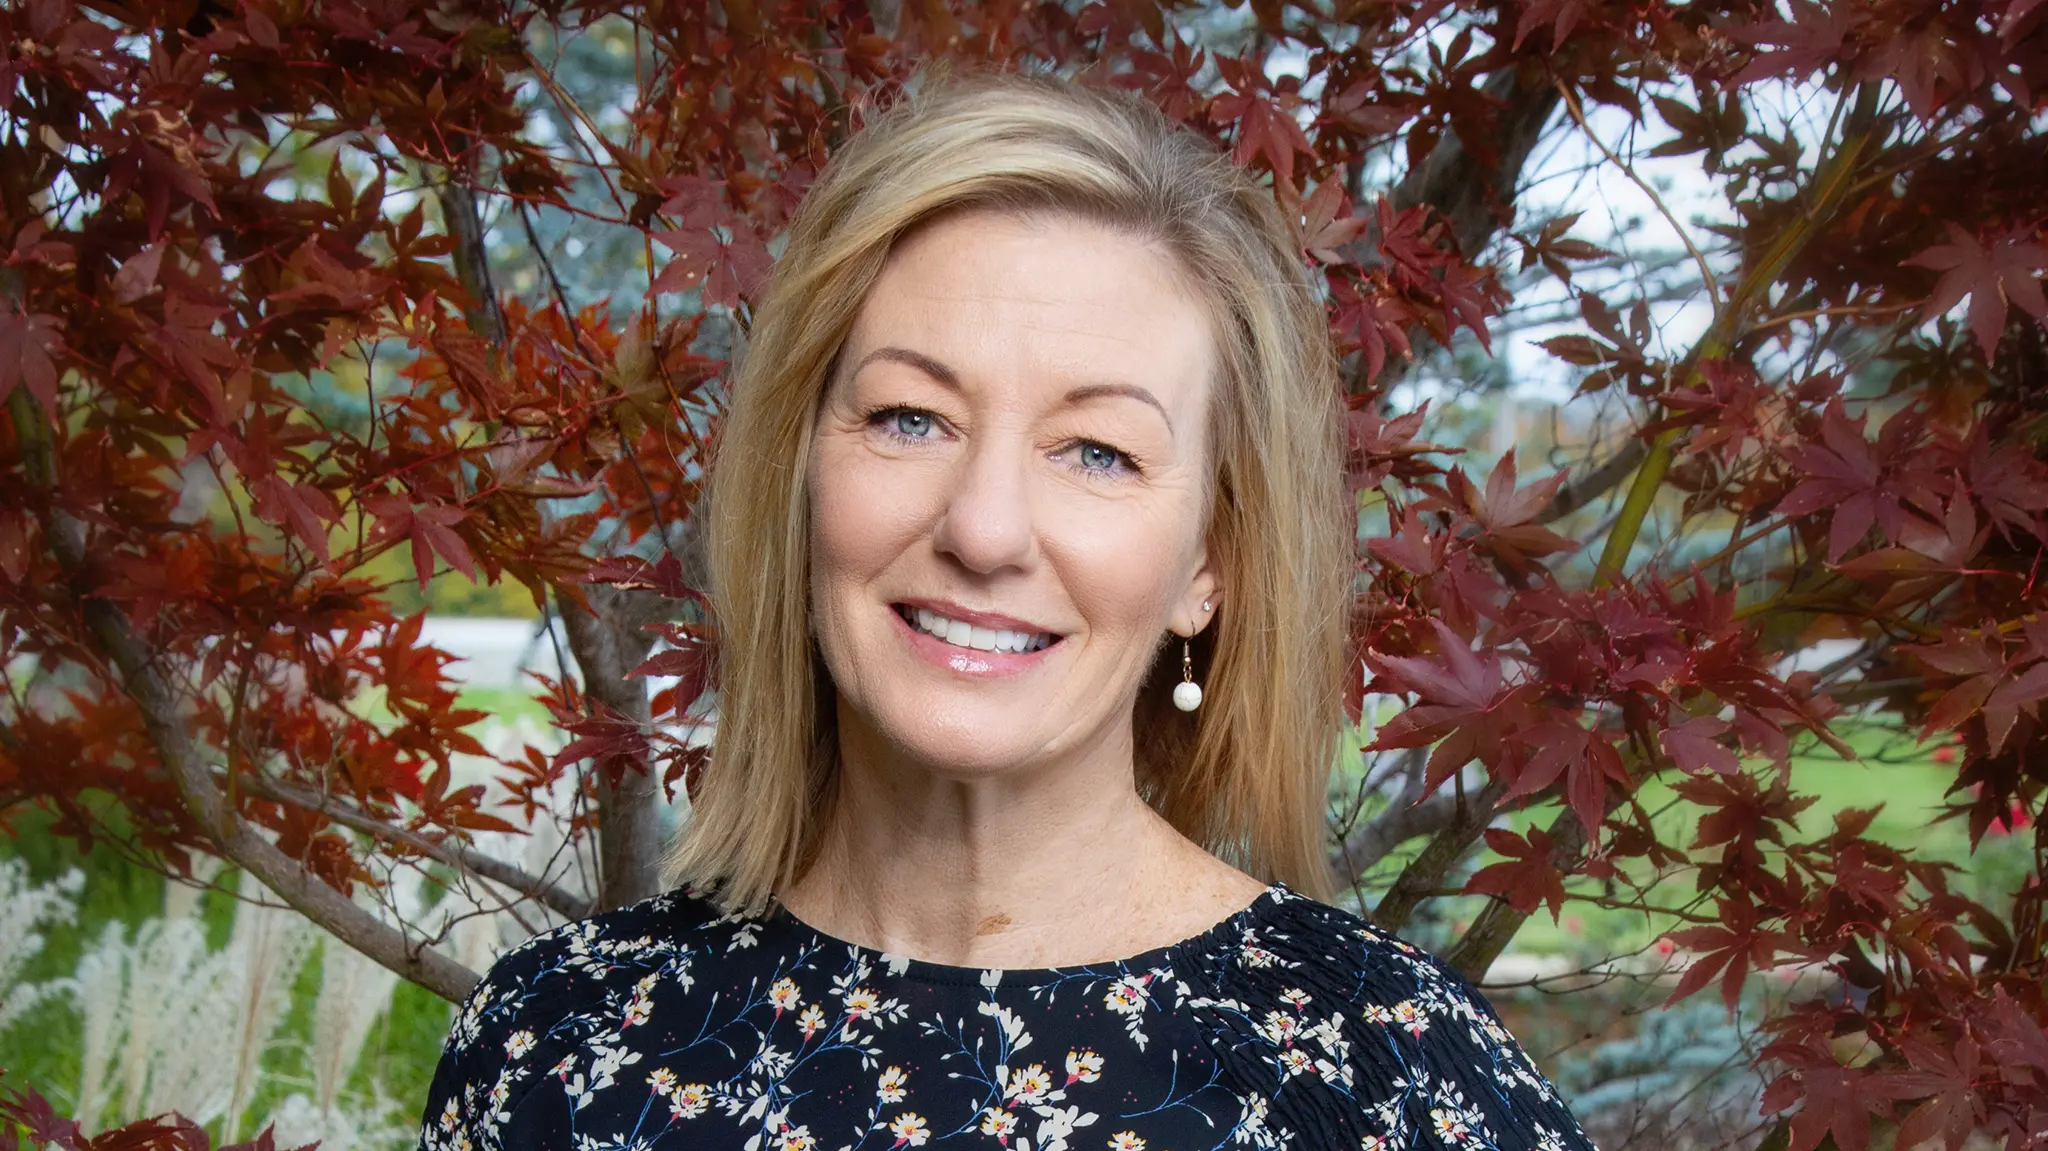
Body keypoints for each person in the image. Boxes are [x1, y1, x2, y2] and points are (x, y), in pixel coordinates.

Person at [417, 72, 1597, 1151]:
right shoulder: (554, 1050)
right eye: (908, 418)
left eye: (1095, 449)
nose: (983, 528)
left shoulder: (1390, 1079)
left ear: (1211, 560)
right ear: (800, 473)